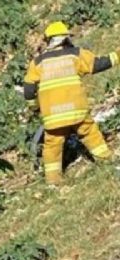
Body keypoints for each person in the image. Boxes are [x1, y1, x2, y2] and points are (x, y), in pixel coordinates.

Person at [24, 21, 118, 184]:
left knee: (52, 145)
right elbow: (98, 64)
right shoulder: (75, 54)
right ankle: (106, 160)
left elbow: (28, 89)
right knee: (90, 133)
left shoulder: (37, 63)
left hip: (53, 116)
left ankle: (53, 181)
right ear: (66, 39)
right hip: (77, 111)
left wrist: (34, 107)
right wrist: (117, 55)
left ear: (48, 41)